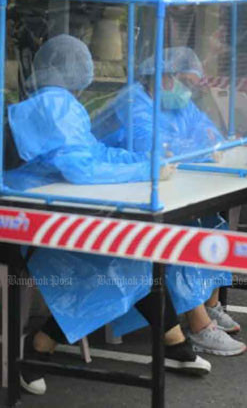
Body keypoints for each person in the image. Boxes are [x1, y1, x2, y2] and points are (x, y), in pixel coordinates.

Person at [5, 35, 209, 395]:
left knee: (130, 256)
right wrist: (142, 171)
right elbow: (80, 170)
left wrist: (143, 163)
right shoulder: (54, 105)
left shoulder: (61, 104)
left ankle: (43, 345)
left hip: (54, 211)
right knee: (120, 258)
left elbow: (94, 153)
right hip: (28, 222)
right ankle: (37, 347)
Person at [92, 47, 246, 357]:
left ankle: (209, 304)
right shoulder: (134, 102)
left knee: (214, 222)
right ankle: (198, 324)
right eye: (185, 82)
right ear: (164, 77)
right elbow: (159, 149)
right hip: (118, 196)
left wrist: (202, 144)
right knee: (178, 236)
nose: (188, 91)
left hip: (160, 185)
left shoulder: (175, 103)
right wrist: (197, 147)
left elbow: (210, 135)